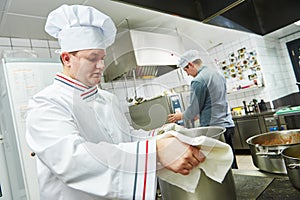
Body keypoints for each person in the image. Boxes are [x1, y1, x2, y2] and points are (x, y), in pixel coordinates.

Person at [25, 5, 206, 200]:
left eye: (102, 58)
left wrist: (163, 135)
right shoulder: (46, 103)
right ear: (67, 58)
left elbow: (126, 138)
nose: (102, 66)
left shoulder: (107, 99)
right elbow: (72, 159)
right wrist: (155, 152)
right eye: (93, 58)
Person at [168, 49, 238, 169]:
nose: (188, 74)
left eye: (186, 70)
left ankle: (226, 186)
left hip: (213, 129)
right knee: (229, 158)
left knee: (219, 164)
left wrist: (180, 115)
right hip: (228, 124)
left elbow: (193, 110)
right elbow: (212, 101)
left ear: (190, 64)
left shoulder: (198, 81)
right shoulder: (217, 74)